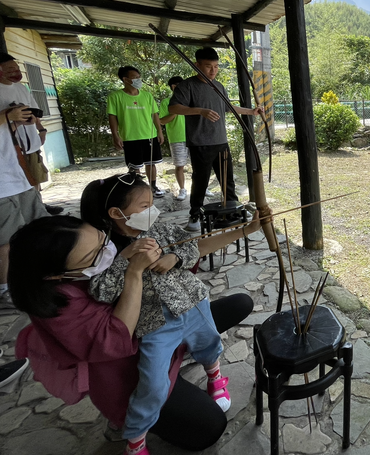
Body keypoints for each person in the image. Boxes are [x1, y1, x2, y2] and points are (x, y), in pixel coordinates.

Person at [8, 212, 260, 452]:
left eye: (102, 239)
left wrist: (244, 230)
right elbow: (114, 340)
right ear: (56, 276)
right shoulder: (60, 304)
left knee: (234, 307)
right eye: (94, 254)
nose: (108, 250)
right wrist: (133, 271)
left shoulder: (122, 245)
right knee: (208, 427)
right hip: (131, 364)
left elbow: (191, 248)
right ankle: (134, 432)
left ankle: (201, 364)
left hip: (167, 323)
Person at [80, 173, 259, 455]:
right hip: (153, 323)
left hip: (193, 303)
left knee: (209, 342)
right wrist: (128, 262)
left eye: (152, 202)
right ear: (116, 213)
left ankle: (215, 377)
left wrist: (175, 257)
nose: (152, 210)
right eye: (143, 205)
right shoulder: (107, 251)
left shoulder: (160, 230)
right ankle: (136, 439)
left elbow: (191, 245)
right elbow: (100, 291)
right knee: (152, 382)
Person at [169, 48, 263, 231]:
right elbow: (174, 108)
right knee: (201, 181)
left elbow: (229, 107)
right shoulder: (187, 86)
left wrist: (251, 111)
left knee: (227, 181)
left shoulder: (219, 86)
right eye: (208, 66)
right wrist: (199, 110)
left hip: (221, 142)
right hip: (200, 143)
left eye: (216, 66)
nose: (213, 71)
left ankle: (233, 211)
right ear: (197, 66)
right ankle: (195, 215)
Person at [0, 102, 49, 309]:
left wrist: (16, 121)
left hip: (17, 177)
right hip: (2, 187)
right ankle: (5, 288)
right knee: (6, 241)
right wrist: (8, 115)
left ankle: (38, 276)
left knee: (38, 228)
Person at [0, 52, 62, 214]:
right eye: (10, 68)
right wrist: (10, 116)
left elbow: (33, 109)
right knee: (21, 179)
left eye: (16, 67)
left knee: (35, 176)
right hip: (10, 147)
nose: (15, 71)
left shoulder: (21, 88)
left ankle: (39, 205)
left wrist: (40, 128)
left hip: (30, 141)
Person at [108, 66, 165, 198]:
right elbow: (112, 117)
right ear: (125, 79)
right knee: (134, 166)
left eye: (139, 77)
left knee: (151, 163)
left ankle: (153, 187)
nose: (139, 80)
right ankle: (137, 189)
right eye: (135, 78)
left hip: (149, 135)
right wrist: (115, 135)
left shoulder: (147, 96)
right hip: (130, 137)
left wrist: (159, 132)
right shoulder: (115, 96)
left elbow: (154, 115)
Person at [159, 77, 188, 201]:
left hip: (195, 137)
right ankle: (182, 189)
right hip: (177, 138)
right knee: (179, 165)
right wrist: (175, 111)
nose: (178, 87)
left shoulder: (190, 100)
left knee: (199, 165)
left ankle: (203, 188)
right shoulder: (167, 102)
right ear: (171, 87)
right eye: (175, 85)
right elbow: (161, 121)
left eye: (181, 84)